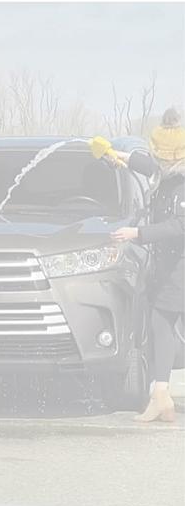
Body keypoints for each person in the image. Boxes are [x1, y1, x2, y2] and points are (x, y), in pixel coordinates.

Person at [98, 107, 185, 423]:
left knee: (162, 324)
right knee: (160, 325)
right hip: (168, 269)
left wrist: (138, 233)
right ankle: (161, 396)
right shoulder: (165, 169)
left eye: (161, 159)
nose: (157, 164)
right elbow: (145, 164)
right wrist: (116, 155)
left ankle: (161, 396)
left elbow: (181, 226)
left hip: (180, 269)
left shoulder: (182, 183)